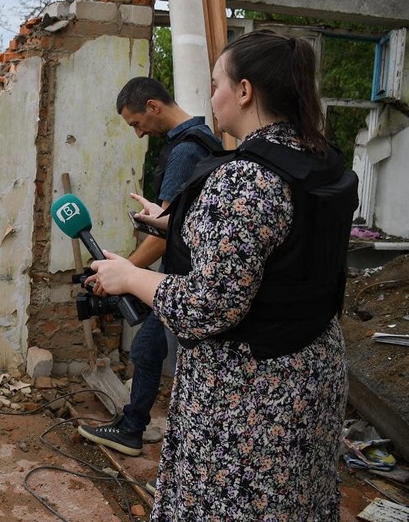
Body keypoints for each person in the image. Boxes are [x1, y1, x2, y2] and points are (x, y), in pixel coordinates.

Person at [86, 29, 355, 519]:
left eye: (216, 85)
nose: (211, 98)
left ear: (245, 91)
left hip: (251, 394)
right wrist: (180, 219)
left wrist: (128, 276)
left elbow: (205, 305)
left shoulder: (245, 178)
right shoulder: (319, 160)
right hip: (313, 368)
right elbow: (278, 244)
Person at [78, 77, 220, 457]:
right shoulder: (206, 140)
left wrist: (122, 275)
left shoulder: (184, 153)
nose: (139, 134)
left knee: (145, 349)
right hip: (197, 273)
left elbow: (164, 234)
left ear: (154, 106)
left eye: (136, 123)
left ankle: (133, 430)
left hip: (183, 277)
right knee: (151, 348)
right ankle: (138, 426)